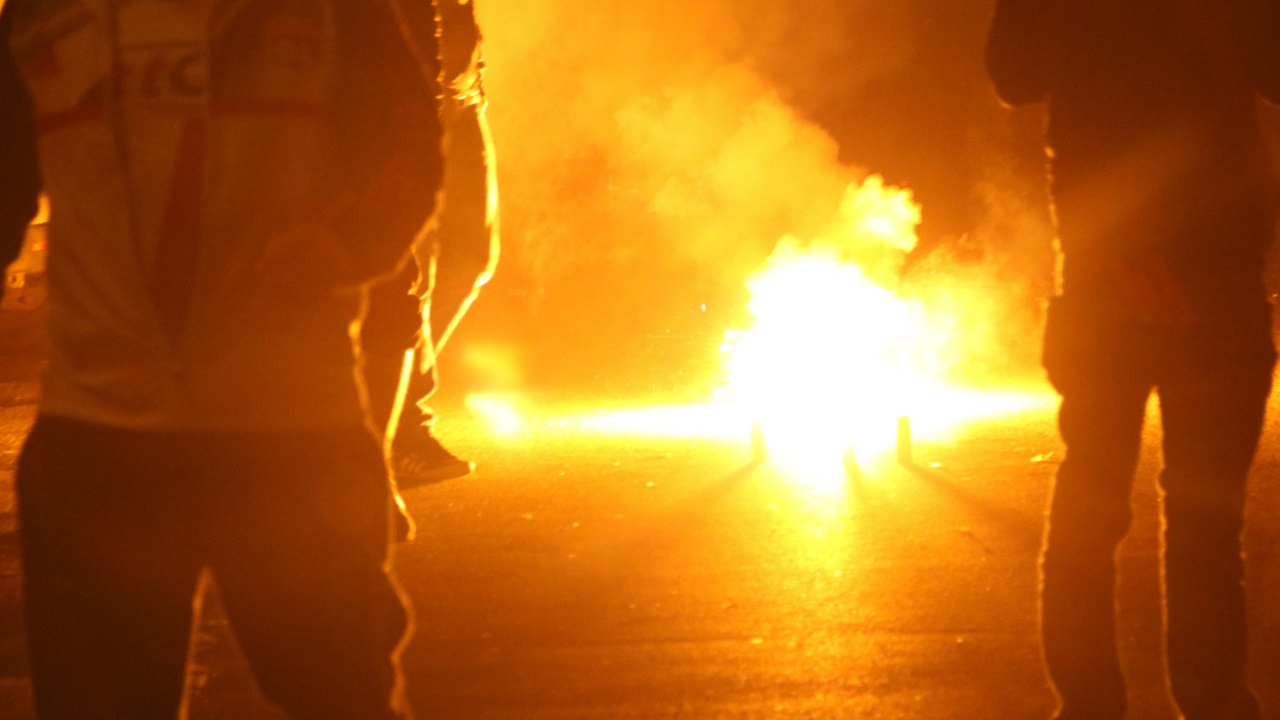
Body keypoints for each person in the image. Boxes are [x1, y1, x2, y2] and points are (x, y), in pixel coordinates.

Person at [1, 0, 443, 717]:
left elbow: (405, 140)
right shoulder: (43, 13)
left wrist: (350, 242)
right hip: (102, 439)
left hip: (286, 430)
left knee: (338, 698)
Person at [987, 1, 1280, 718]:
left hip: (1108, 272)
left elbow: (1012, 75)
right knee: (1205, 520)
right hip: (1215, 274)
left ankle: (1089, 703)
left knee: (1093, 504)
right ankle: (1209, 701)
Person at [357, 0, 498, 490]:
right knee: (407, 273)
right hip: (401, 91)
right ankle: (402, 429)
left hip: (461, 91)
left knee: (471, 259)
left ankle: (377, 405)